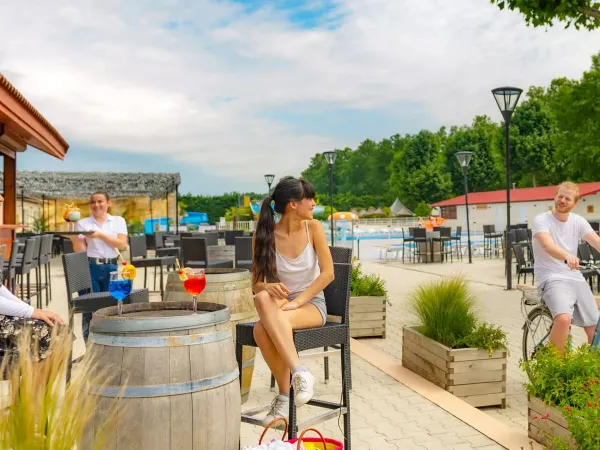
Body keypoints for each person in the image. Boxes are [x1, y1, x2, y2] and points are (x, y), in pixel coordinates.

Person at [251, 176, 334, 426]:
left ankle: (283, 397)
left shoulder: (314, 229)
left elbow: (328, 273)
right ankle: (300, 373)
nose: (313, 203)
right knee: (263, 296)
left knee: (260, 329)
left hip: (311, 303)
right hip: (279, 303)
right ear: (293, 205)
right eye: (309, 198)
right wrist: (269, 285)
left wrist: (299, 302)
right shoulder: (264, 236)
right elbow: (255, 284)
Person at [532, 181, 600, 354]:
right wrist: (567, 256)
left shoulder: (578, 221)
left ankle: (590, 373)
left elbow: (596, 241)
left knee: (595, 329)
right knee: (563, 319)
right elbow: (548, 246)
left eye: (567, 198)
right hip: (551, 277)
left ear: (575, 203)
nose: (562, 200)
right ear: (555, 196)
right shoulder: (541, 220)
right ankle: (556, 368)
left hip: (575, 278)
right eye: (560, 196)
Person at [67, 192, 127, 341]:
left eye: (100, 201)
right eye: (93, 202)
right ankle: (89, 347)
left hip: (111, 268)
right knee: (89, 308)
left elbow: (122, 245)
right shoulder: (83, 223)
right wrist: (73, 236)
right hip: (90, 267)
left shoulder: (118, 221)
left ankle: (109, 342)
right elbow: (80, 251)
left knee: (111, 306)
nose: (96, 205)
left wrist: (100, 235)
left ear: (109, 203)